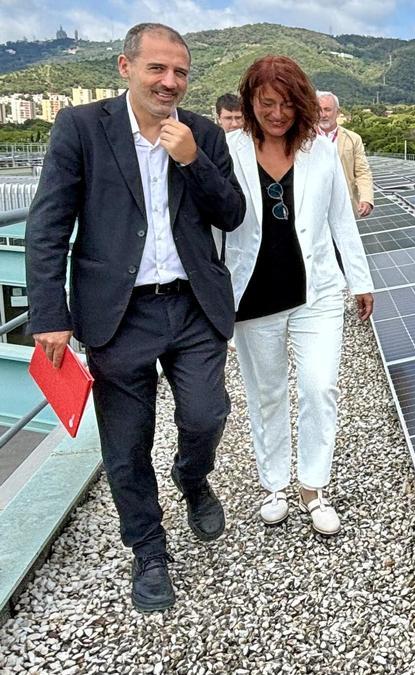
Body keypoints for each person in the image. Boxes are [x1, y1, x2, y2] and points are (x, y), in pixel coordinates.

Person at [25, 23, 245, 612]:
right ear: (126, 68)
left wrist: (194, 161)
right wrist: (50, 312)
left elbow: (231, 213)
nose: (169, 82)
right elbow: (48, 225)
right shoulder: (81, 128)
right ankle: (149, 551)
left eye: (180, 72)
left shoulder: (199, 133)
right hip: (117, 312)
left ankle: (192, 477)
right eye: (157, 69)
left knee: (206, 414)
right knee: (126, 446)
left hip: (193, 303)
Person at [223, 56, 373, 536]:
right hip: (253, 295)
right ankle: (274, 484)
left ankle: (313, 486)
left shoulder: (319, 150)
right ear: (251, 101)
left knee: (318, 386)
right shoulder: (229, 149)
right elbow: (211, 226)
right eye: (268, 103)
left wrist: (360, 278)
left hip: (317, 292)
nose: (278, 113)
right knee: (266, 393)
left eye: (288, 104)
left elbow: (340, 219)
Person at [316, 91, 373, 218]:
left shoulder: (353, 139)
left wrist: (366, 199)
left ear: (337, 112)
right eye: (318, 110)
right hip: (315, 206)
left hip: (345, 203)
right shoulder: (305, 138)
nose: (323, 115)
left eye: (327, 110)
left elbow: (362, 172)